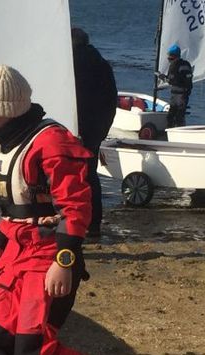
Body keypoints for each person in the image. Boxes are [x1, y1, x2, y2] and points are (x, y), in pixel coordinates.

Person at [0, 65, 113, 355]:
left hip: (47, 257)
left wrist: (64, 260)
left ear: (4, 111)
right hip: (14, 255)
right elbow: (10, 205)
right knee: (2, 344)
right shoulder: (2, 144)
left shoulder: (51, 143)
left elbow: (77, 209)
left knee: (35, 350)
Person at [71, 27, 117, 238]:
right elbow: (112, 100)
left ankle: (73, 222)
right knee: (91, 175)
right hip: (96, 129)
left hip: (76, 127)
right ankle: (94, 223)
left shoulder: (72, 63)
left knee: (69, 176)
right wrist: (102, 130)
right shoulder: (102, 64)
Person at [158, 44, 193, 128]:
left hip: (177, 95)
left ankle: (171, 133)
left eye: (169, 57)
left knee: (172, 116)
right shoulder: (186, 64)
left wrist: (162, 77)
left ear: (173, 56)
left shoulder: (174, 66)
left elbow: (171, 80)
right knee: (180, 116)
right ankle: (178, 131)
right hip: (184, 94)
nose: (169, 59)